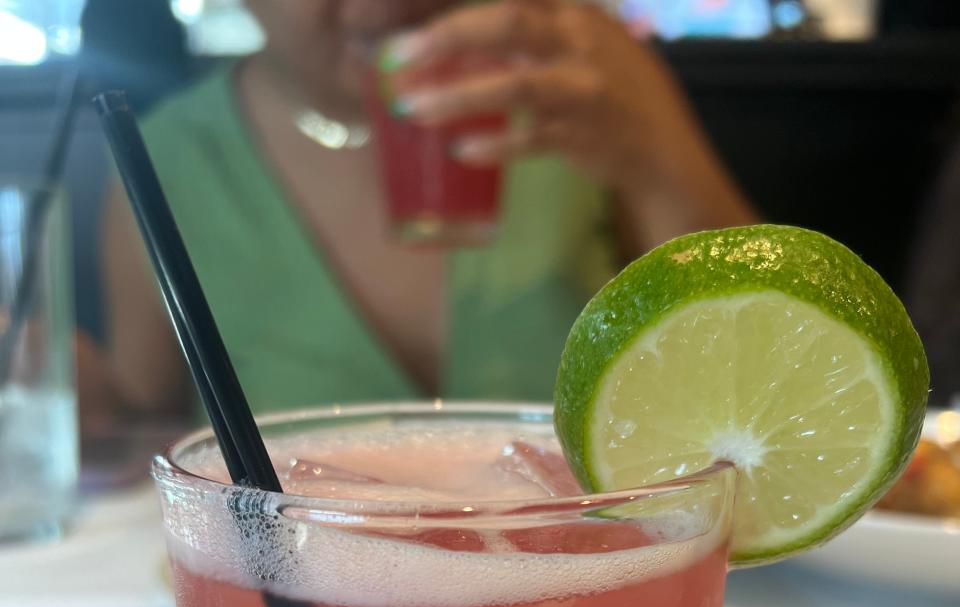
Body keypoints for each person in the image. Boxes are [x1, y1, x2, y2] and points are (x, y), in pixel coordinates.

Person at [82, 0, 755, 424]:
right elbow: (139, 409)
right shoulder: (169, 155)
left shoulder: (580, 99)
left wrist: (661, 156)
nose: (389, 7)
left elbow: (768, 378)